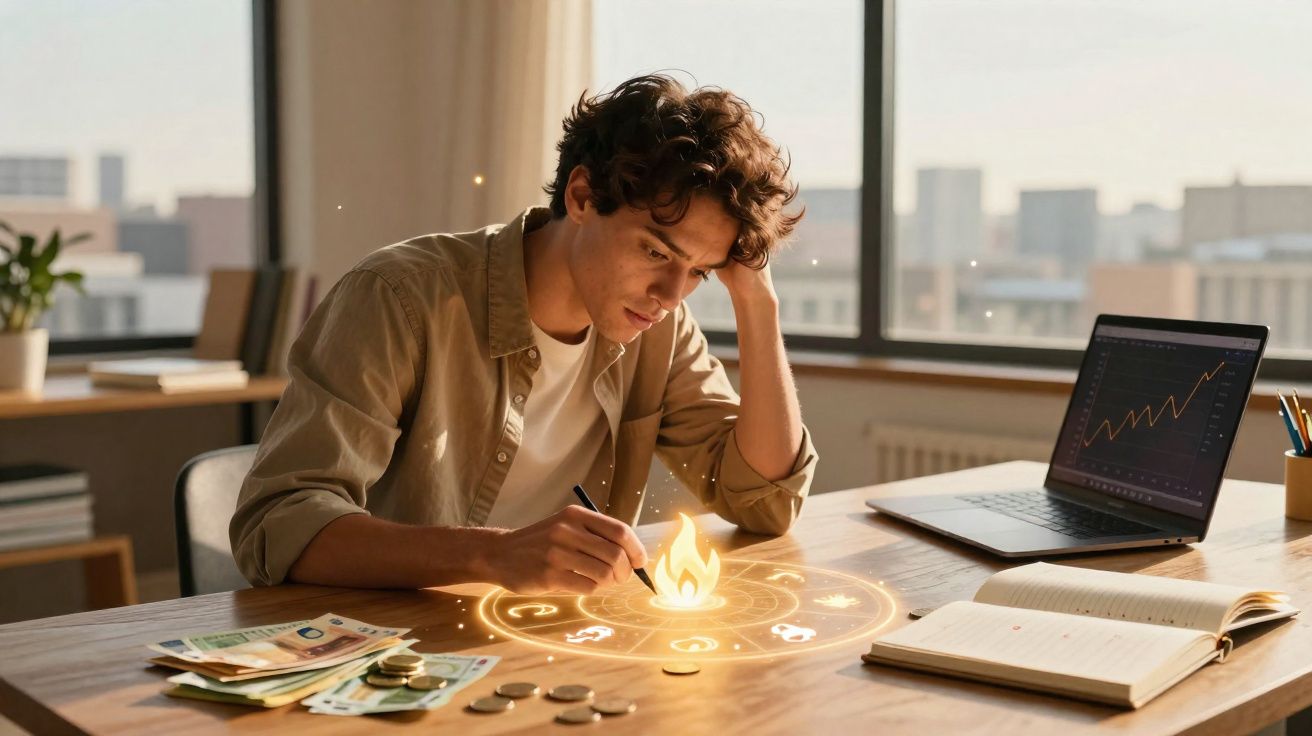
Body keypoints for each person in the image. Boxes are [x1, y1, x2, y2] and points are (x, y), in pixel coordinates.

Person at [230, 73, 818, 595]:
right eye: (655, 251)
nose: (670, 295)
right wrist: (495, 554)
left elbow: (764, 501)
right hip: (395, 647)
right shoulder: (400, 298)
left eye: (699, 273)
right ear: (582, 196)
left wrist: (756, 302)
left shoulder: (661, 328)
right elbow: (279, 523)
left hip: (556, 639)